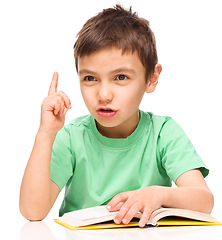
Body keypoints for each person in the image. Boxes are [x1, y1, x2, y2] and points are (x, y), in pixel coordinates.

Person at [19, 5, 214, 228]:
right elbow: (32, 212)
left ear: (151, 78)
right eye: (90, 78)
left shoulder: (163, 133)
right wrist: (46, 133)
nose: (103, 94)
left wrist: (158, 195)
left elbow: (204, 201)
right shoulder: (71, 137)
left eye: (120, 77)